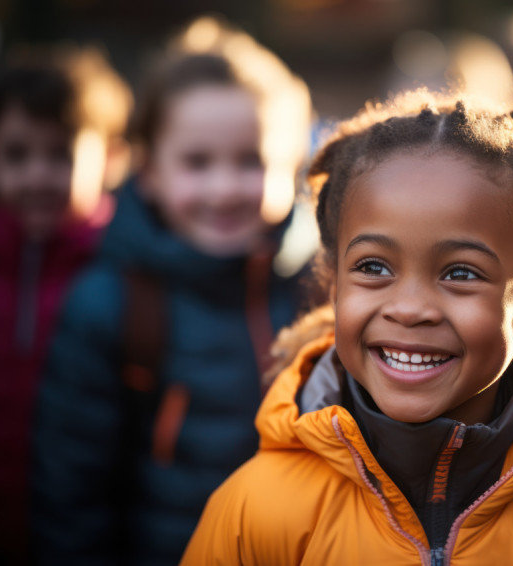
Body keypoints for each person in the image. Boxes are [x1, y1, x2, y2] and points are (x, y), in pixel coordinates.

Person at [180, 89, 513, 564]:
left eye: (460, 273)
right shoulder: (256, 513)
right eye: (374, 267)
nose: (410, 308)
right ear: (334, 285)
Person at [31, 18, 313, 564]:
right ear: (150, 170)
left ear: (291, 167)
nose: (224, 187)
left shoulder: (314, 289)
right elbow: (72, 496)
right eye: (197, 162)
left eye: (251, 161)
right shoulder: (109, 304)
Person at [0, 50, 128, 565]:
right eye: (16, 155)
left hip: (85, 537)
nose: (38, 176)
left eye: (60, 155)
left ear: (110, 157)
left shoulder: (123, 267)